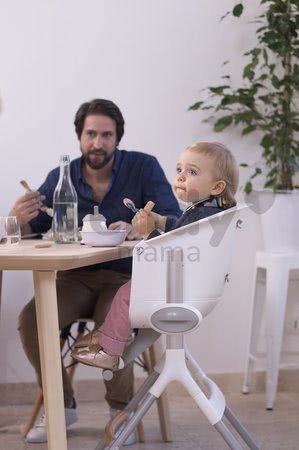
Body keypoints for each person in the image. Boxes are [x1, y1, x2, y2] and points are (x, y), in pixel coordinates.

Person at [9, 98, 181, 444]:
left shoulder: (143, 167)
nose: (98, 143)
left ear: (117, 137)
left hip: (127, 277)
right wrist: (17, 218)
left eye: (106, 135)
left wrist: (143, 226)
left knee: (111, 325)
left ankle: (121, 411)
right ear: (80, 136)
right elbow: (34, 228)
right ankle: (62, 404)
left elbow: (175, 221)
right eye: (91, 134)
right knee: (31, 319)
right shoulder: (63, 176)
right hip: (76, 278)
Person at [71, 141, 239, 371]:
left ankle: (109, 350)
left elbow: (169, 253)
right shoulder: (208, 211)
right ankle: (105, 336)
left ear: (217, 186)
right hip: (189, 287)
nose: (181, 176)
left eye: (192, 172)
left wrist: (147, 232)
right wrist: (161, 221)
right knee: (125, 293)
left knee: (124, 294)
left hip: (173, 289)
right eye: (179, 169)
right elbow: (182, 232)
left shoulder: (201, 212)